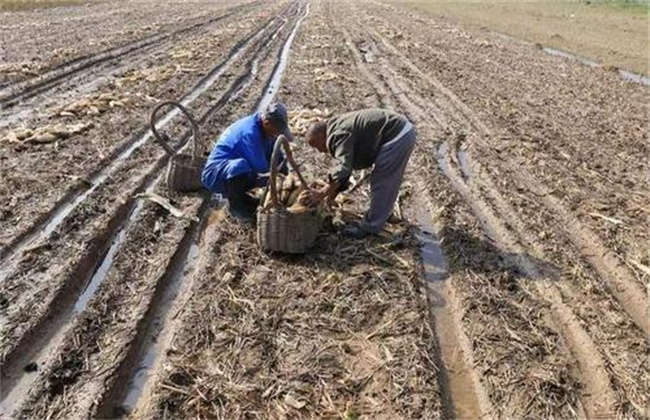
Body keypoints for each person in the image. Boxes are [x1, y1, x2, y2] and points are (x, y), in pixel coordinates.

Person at [306, 108, 416, 239]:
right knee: (386, 182)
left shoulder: (338, 135)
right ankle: (384, 213)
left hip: (397, 136)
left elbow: (343, 168)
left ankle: (370, 227)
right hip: (401, 131)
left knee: (382, 182)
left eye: (316, 145)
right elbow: (347, 165)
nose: (319, 151)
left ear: (321, 136)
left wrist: (322, 193)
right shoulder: (335, 126)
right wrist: (331, 196)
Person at [201, 102, 292, 221]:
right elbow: (260, 166)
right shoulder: (249, 133)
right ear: (267, 123)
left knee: (252, 170)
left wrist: (288, 175)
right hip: (216, 174)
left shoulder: (266, 130)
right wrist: (276, 178)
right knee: (240, 166)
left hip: (237, 171)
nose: (277, 134)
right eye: (277, 130)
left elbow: (276, 154)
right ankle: (236, 208)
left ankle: (243, 199)